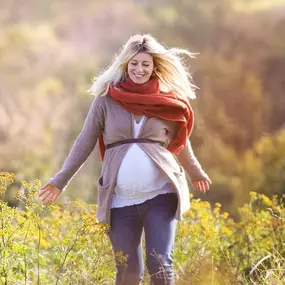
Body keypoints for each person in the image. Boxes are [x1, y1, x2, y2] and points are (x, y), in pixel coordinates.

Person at [39, 34, 211, 285]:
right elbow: (84, 142)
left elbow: (181, 141)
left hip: (161, 195)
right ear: (124, 65)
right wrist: (60, 180)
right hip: (119, 201)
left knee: (160, 262)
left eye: (145, 64)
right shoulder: (106, 100)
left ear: (154, 67)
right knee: (128, 271)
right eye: (134, 63)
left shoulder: (168, 100)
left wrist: (195, 171)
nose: (139, 69)